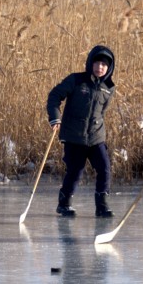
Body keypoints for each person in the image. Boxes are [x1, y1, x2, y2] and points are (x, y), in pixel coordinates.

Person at [46, 44, 116, 217]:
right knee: (75, 171)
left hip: (96, 137)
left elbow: (102, 112)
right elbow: (54, 96)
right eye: (97, 63)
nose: (100, 67)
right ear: (90, 63)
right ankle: (64, 203)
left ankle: (102, 205)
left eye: (104, 65)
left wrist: (98, 129)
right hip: (74, 136)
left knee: (105, 168)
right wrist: (55, 117)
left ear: (109, 68)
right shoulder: (76, 80)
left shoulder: (109, 87)